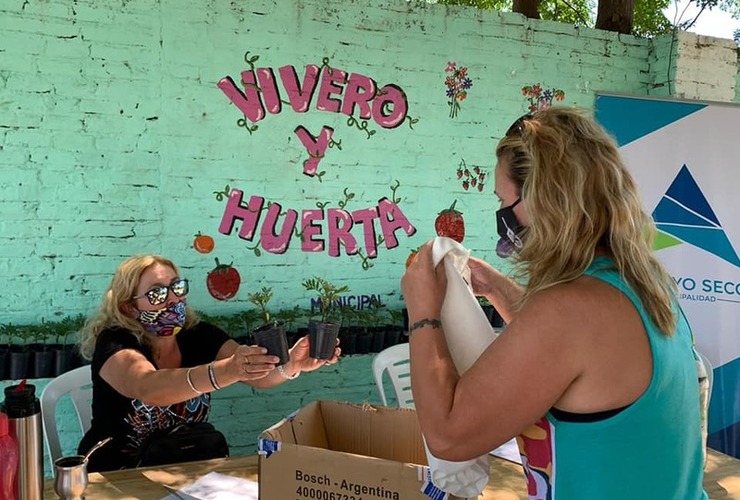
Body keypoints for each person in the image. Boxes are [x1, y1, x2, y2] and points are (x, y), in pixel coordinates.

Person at [402, 107, 707, 499]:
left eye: (504, 203)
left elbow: (448, 436)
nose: (502, 220)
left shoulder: (572, 309)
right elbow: (564, 354)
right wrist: (495, 286)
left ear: (545, 199)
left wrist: (423, 312)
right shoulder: (640, 282)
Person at [77, 254, 340, 472]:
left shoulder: (199, 334)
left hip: (183, 465)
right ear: (129, 308)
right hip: (115, 473)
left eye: (177, 287)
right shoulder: (115, 341)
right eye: (157, 294)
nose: (173, 299)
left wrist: (292, 364)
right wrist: (226, 370)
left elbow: (257, 376)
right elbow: (149, 387)